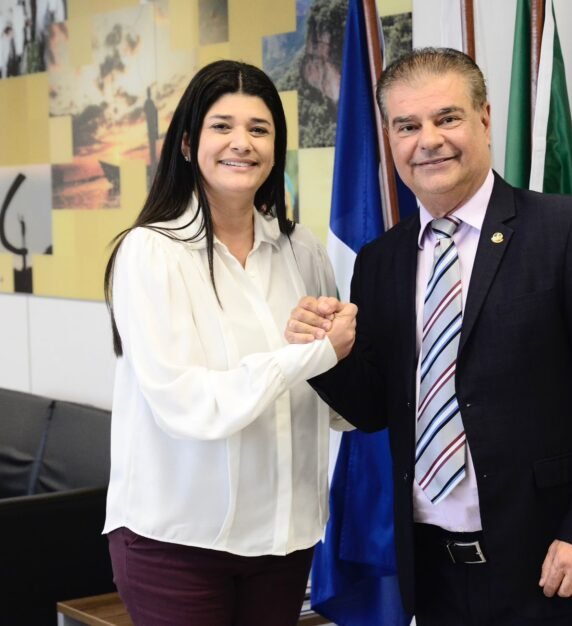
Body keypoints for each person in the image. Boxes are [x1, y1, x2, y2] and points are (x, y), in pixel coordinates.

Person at [286, 48, 572, 626]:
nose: (428, 140)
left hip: (555, 564)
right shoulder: (381, 261)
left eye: (447, 118)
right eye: (407, 126)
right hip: (435, 574)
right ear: (390, 139)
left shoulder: (568, 229)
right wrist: (324, 353)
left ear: (484, 119)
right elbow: (375, 408)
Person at [102, 60, 355, 626]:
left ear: (275, 148)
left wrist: (350, 356)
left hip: (283, 542)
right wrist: (310, 354)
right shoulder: (152, 252)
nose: (242, 142)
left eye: (259, 129)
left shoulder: (302, 250)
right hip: (178, 546)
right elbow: (186, 404)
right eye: (222, 126)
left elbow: (333, 401)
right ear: (188, 144)